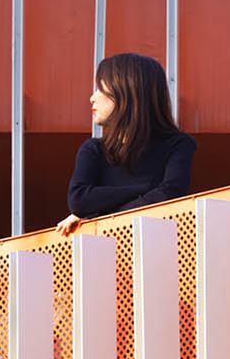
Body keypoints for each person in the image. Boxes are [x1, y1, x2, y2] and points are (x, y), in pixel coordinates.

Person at [56, 53, 196, 234]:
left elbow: (169, 195)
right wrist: (148, 190)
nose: (92, 98)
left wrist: (96, 214)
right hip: (107, 255)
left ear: (126, 91)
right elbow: (79, 200)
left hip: (155, 250)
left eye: (100, 88)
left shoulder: (177, 145)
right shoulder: (94, 150)